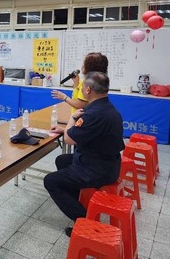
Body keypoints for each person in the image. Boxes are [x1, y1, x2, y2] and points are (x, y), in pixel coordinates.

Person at [43, 72, 124, 236]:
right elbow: (84, 134)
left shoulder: (93, 114)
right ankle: (78, 203)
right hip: (108, 163)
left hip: (97, 169)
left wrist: (72, 120)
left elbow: (69, 139)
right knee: (62, 160)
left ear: (87, 90)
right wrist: (66, 128)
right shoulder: (106, 107)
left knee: (51, 181)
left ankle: (85, 221)